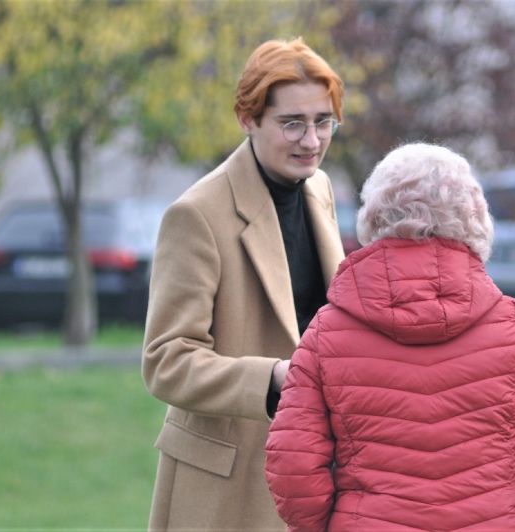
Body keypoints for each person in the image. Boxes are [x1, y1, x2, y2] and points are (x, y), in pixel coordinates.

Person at [264, 142, 515, 531]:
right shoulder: (514, 325)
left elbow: (294, 469)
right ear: (473, 216)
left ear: (374, 216)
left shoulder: (327, 332)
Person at [141, 37, 346, 531]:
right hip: (226, 488)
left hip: (317, 470)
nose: (311, 141)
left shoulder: (319, 187)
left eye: (323, 122)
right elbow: (166, 361)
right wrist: (272, 378)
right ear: (247, 119)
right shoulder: (195, 215)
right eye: (292, 123)